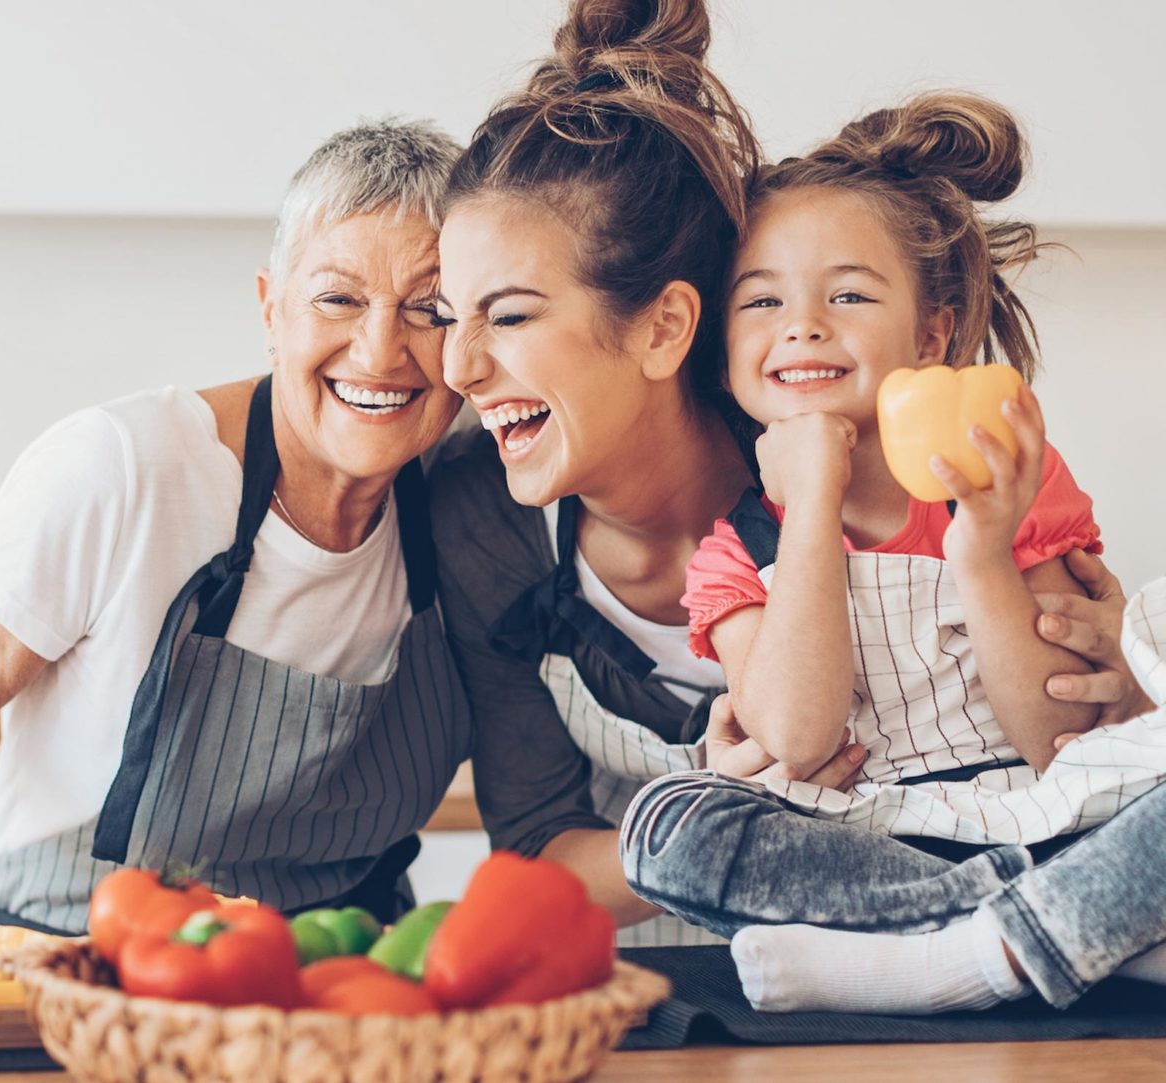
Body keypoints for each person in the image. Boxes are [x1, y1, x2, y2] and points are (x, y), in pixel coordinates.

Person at [428, 0, 1141, 947]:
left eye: (509, 316)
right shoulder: (490, 517)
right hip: (711, 970)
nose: (457, 367)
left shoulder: (835, 435)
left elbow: (1066, 725)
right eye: (449, 316)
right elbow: (536, 855)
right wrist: (728, 796)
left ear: (669, 327)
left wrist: (1123, 672)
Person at [0, 119, 471, 961]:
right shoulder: (125, 470)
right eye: (337, 298)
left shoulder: (479, 503)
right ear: (271, 309)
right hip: (71, 978)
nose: (382, 350)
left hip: (342, 988)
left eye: (431, 308)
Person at [618, 93, 1166, 1016]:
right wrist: (813, 499)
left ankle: (966, 956)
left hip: (1052, 819)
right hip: (874, 849)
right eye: (762, 300)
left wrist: (985, 550)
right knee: (667, 825)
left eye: (849, 294)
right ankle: (1067, 934)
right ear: (721, 355)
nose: (803, 325)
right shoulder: (735, 552)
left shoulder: (1003, 474)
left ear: (932, 335)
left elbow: (1053, 739)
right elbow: (799, 738)